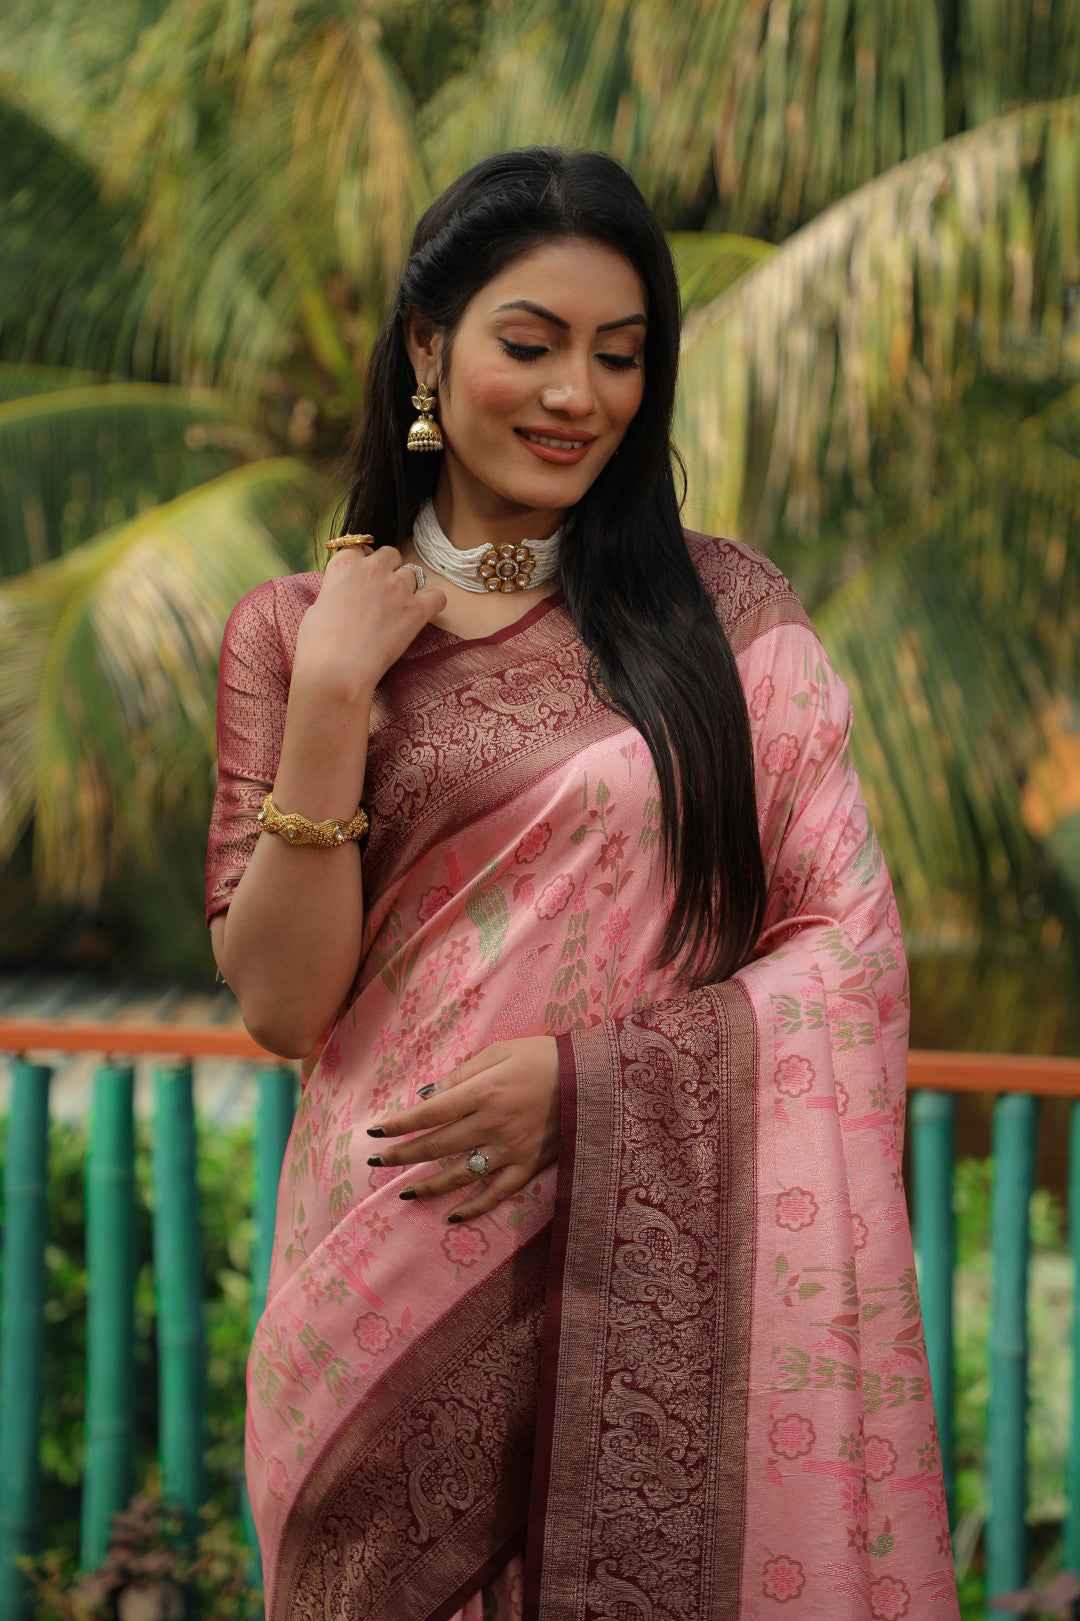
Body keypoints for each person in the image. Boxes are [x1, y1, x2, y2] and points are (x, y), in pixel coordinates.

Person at [204, 147, 960, 1620]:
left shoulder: (726, 617)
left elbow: (847, 949)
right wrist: (336, 693)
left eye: (620, 357)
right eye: (530, 343)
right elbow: (287, 1005)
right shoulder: (291, 634)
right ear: (430, 343)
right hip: (377, 1283)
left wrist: (585, 1085)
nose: (576, 396)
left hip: (647, 1271)